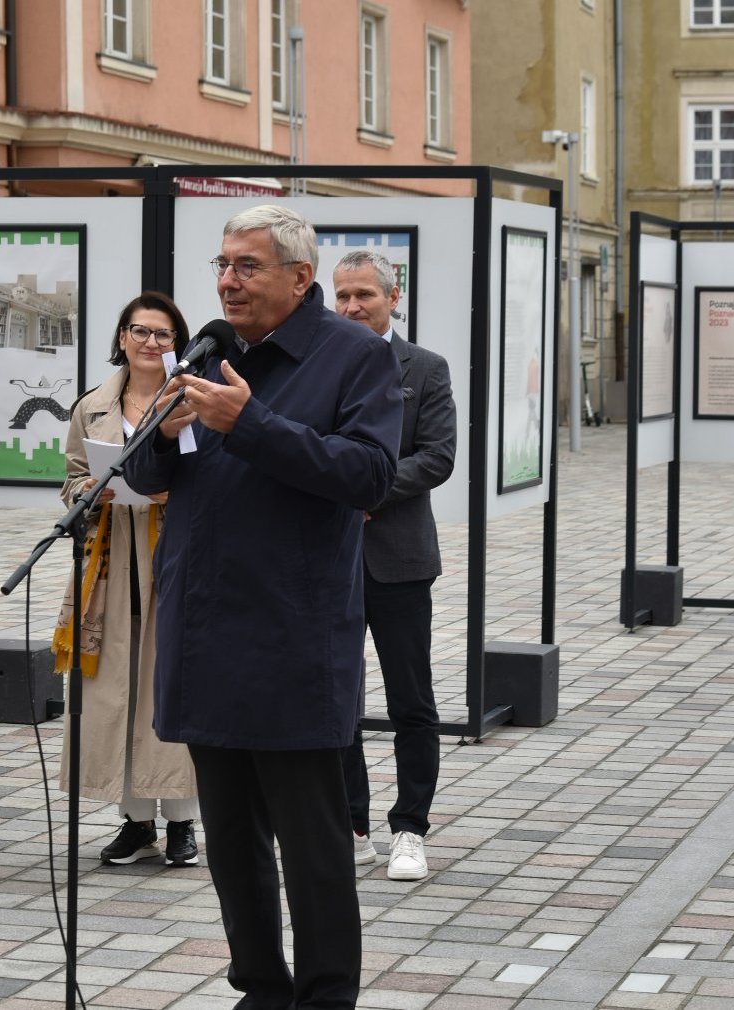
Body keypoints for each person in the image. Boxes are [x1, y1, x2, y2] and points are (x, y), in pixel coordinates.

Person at [123, 205, 402, 1010]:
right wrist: (163, 431)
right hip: (204, 632)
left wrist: (250, 423)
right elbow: (150, 479)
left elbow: (368, 476)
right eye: (221, 264)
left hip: (291, 637)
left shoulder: (355, 358)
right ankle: (260, 989)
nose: (226, 280)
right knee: (231, 842)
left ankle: (322, 997)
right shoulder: (208, 351)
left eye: (246, 266)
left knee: (312, 847)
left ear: (298, 278)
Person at [53, 291, 201, 867]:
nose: (149, 343)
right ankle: (136, 821)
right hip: (111, 563)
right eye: (139, 332)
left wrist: (173, 489)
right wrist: (87, 493)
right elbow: (70, 479)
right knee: (119, 686)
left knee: (170, 683)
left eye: (162, 335)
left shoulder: (190, 399)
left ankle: (183, 821)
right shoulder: (91, 405)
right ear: (121, 338)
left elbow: (212, 473)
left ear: (177, 344)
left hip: (174, 553)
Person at [330, 250, 456, 882]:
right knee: (337, 700)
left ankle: (410, 828)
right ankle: (352, 825)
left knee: (412, 702)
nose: (352, 307)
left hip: (400, 560)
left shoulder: (425, 369)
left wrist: (366, 488)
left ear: (392, 298)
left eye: (364, 296)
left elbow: (437, 458)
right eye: (342, 296)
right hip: (330, 557)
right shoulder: (318, 366)